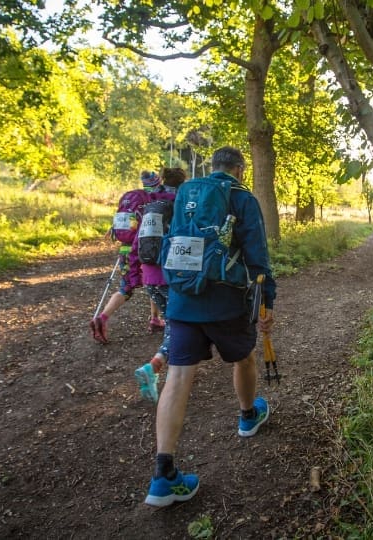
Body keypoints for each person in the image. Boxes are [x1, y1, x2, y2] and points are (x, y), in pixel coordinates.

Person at [144, 146, 276, 507]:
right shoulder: (240, 196)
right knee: (243, 358)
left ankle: (163, 476)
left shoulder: (188, 192)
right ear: (240, 169)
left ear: (212, 167)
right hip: (226, 302)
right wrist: (267, 302)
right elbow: (257, 257)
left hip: (182, 300)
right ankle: (248, 417)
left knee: (177, 378)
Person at [128, 167, 187, 402]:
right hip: (169, 277)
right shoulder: (178, 205)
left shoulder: (151, 206)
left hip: (149, 278)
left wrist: (133, 277)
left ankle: (161, 369)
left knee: (173, 324)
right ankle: (153, 368)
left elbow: (136, 244)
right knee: (178, 327)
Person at [90, 170, 164, 343]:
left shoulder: (130, 199)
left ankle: (103, 317)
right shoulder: (153, 201)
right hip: (145, 249)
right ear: (158, 183)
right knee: (154, 283)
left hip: (125, 249)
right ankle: (154, 320)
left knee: (126, 287)